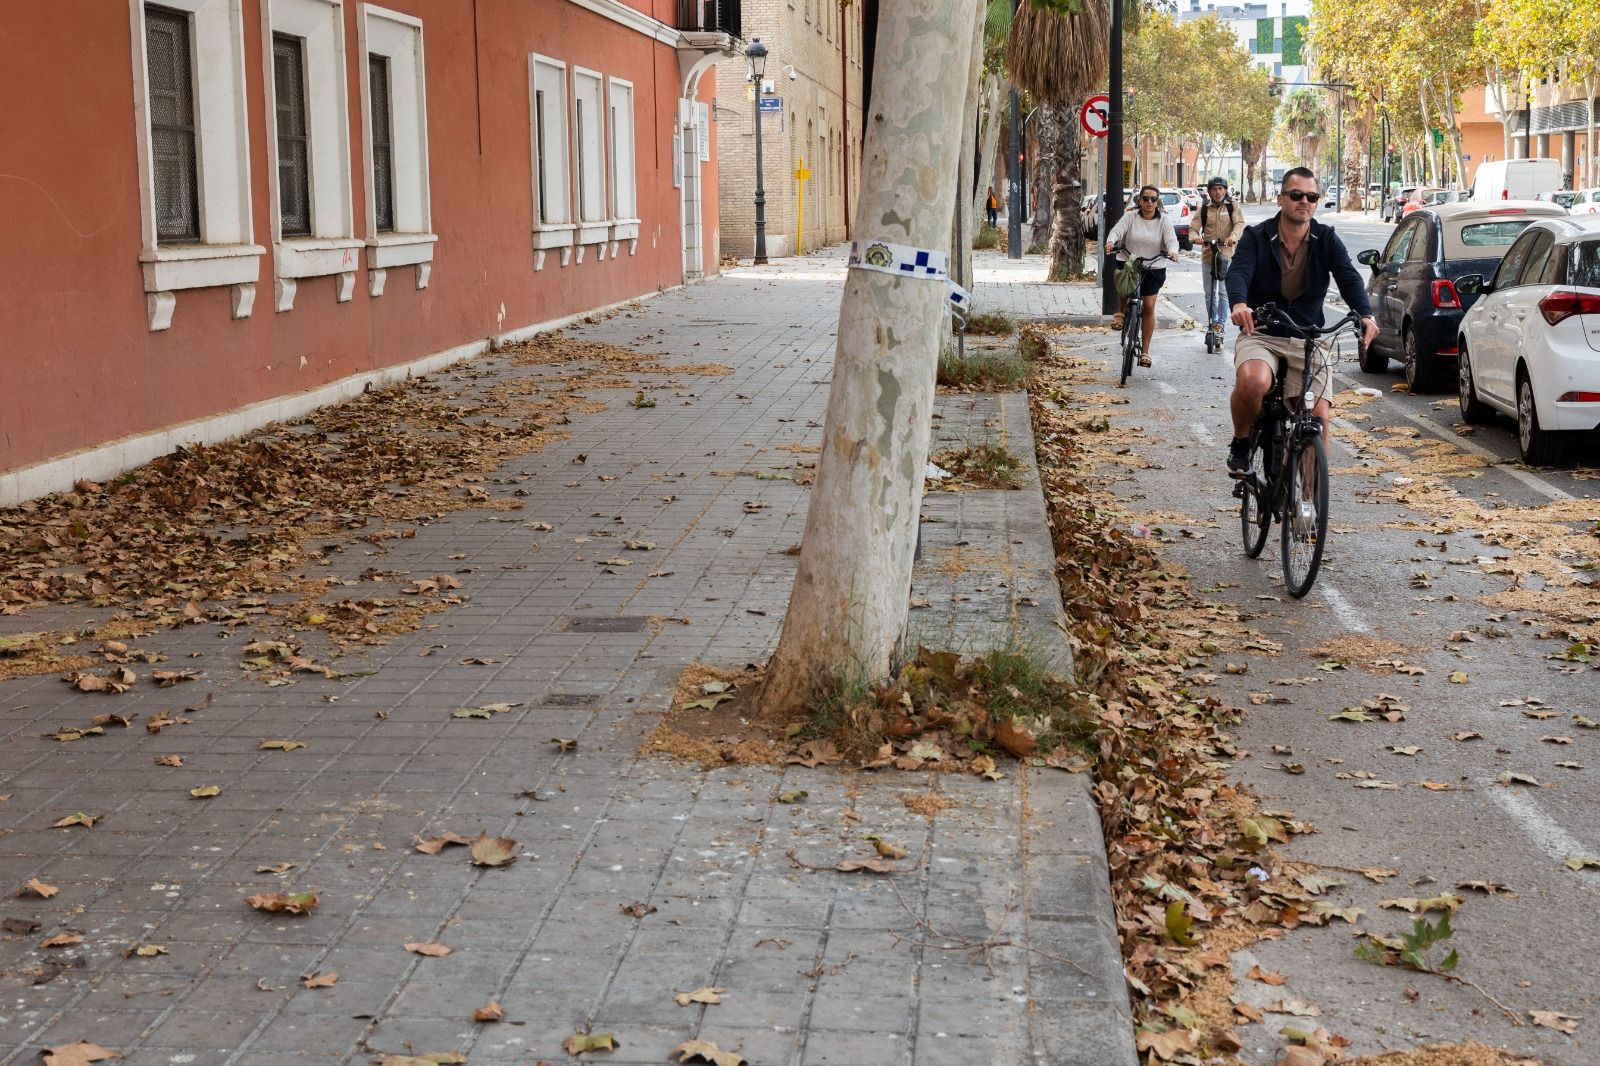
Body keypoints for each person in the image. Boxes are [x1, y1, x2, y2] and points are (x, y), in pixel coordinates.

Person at [1225, 167, 1379, 474]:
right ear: (1281, 198)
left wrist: (1365, 313)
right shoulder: (1257, 236)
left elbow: (1348, 277)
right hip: (1263, 331)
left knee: (1318, 419)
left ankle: (1307, 508)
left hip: (1308, 336)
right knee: (1254, 382)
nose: (1304, 201)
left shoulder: (1326, 239)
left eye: (1311, 196)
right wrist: (1239, 303)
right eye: (1296, 195)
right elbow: (1239, 271)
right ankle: (1241, 440)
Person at [1104, 185, 1179, 367]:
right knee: (1125, 283)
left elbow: (1171, 239)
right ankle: (1121, 313)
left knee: (1149, 307)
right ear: (1140, 201)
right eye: (1146, 199)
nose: (1149, 202)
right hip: (1130, 261)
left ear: (1157, 202)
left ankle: (1145, 352)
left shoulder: (1164, 221)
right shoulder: (1130, 217)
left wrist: (1173, 251)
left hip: (1154, 265)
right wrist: (1110, 241)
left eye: (1154, 199)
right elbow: (1116, 230)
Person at [1197, 176, 1245, 345]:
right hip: (1208, 255)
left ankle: (1220, 325)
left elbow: (1239, 224)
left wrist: (1232, 237)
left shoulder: (1233, 206)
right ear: (1209, 191)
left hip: (1226, 255)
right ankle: (1212, 322)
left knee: (1223, 292)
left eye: (1221, 189)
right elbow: (1193, 227)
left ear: (1225, 190)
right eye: (1214, 189)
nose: (1218, 192)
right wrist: (1194, 237)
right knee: (1209, 293)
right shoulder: (1204, 208)